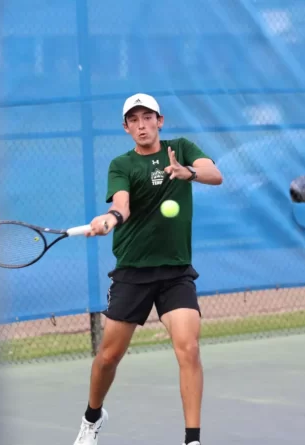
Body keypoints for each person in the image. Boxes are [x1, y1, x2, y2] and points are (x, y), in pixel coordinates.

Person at [74, 93, 223, 445]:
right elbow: (122, 204)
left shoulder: (181, 148)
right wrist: (111, 218)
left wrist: (187, 172)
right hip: (133, 272)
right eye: (134, 120)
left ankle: (192, 440)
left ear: (160, 120)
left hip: (175, 272)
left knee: (189, 349)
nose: (142, 125)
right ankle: (92, 417)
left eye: (147, 117)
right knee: (108, 357)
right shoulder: (121, 165)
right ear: (126, 127)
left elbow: (215, 175)